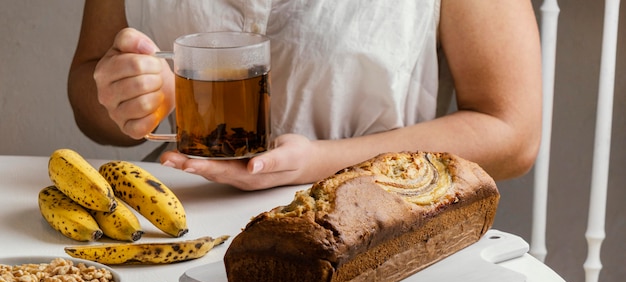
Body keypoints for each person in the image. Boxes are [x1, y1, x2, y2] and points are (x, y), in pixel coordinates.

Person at [68, 0, 542, 191]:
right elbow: (88, 93)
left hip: (375, 221)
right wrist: (134, 98)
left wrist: (320, 161)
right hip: (177, 214)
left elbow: (512, 132)